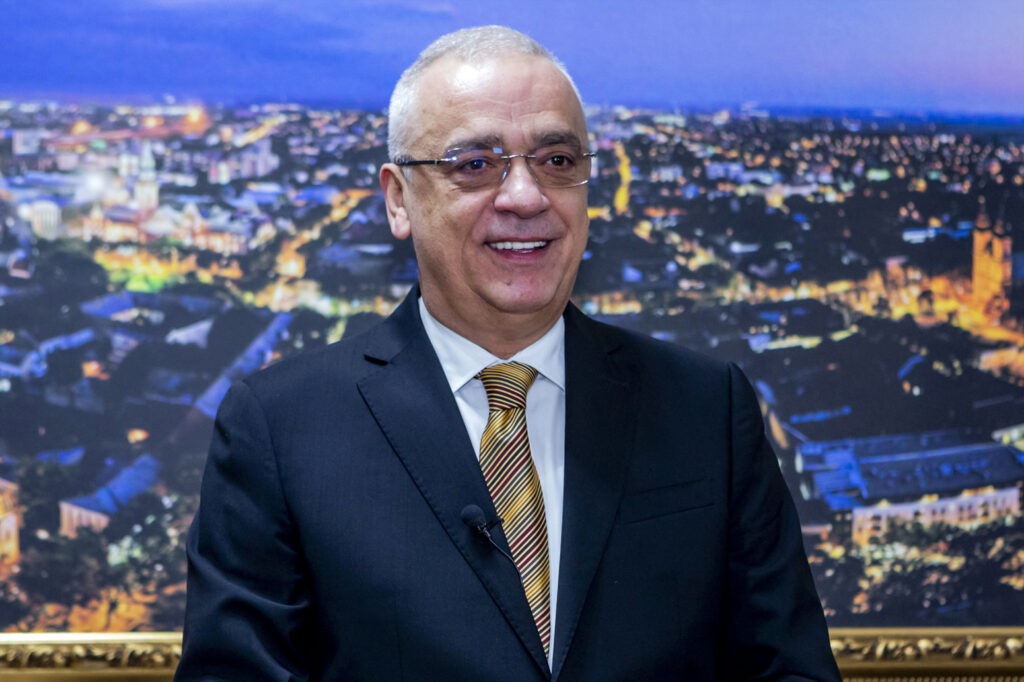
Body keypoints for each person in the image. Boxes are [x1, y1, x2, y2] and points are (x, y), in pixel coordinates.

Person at [177, 25, 841, 681]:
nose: (526, 197)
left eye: (558, 162)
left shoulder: (706, 409)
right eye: (475, 165)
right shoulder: (282, 429)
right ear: (398, 200)